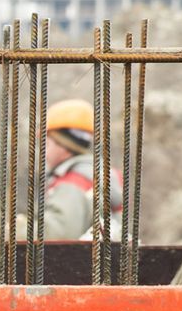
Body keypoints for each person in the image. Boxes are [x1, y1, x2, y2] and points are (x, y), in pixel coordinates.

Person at [40, 99, 123, 242]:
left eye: (46, 143)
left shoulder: (74, 181)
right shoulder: (102, 174)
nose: (43, 151)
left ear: (63, 145)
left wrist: (20, 228)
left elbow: (59, 234)